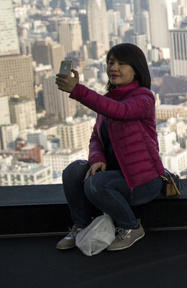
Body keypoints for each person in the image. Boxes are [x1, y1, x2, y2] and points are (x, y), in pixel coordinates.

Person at [54, 43, 165, 251]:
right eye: (111, 62)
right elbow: (96, 137)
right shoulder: (107, 100)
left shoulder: (144, 98)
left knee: (95, 185)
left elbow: (120, 111)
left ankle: (131, 226)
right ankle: (82, 226)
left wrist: (78, 91)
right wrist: (97, 159)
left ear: (136, 69)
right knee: (73, 172)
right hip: (115, 174)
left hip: (142, 180)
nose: (114, 67)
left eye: (122, 63)